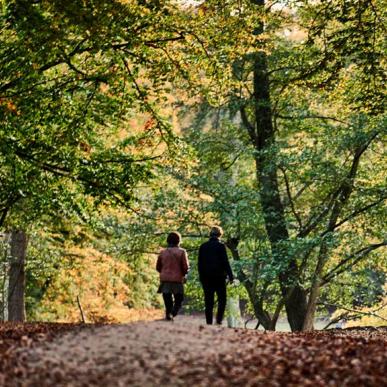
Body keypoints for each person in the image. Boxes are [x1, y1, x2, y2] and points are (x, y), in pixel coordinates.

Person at [198, 226, 234, 325]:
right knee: (222, 299)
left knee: (208, 301)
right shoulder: (221, 246)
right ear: (220, 235)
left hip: (206, 278)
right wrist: (231, 276)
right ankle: (218, 321)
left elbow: (200, 264)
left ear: (210, 234)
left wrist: (201, 277)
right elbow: (225, 262)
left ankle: (208, 323)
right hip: (219, 277)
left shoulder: (203, 246)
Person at [156, 232, 189, 321]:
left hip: (165, 279)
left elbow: (158, 267)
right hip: (177, 279)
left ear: (168, 241)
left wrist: (164, 273)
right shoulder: (182, 252)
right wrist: (184, 274)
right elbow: (185, 267)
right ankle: (173, 313)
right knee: (179, 299)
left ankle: (168, 313)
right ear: (178, 241)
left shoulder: (162, 252)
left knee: (167, 298)